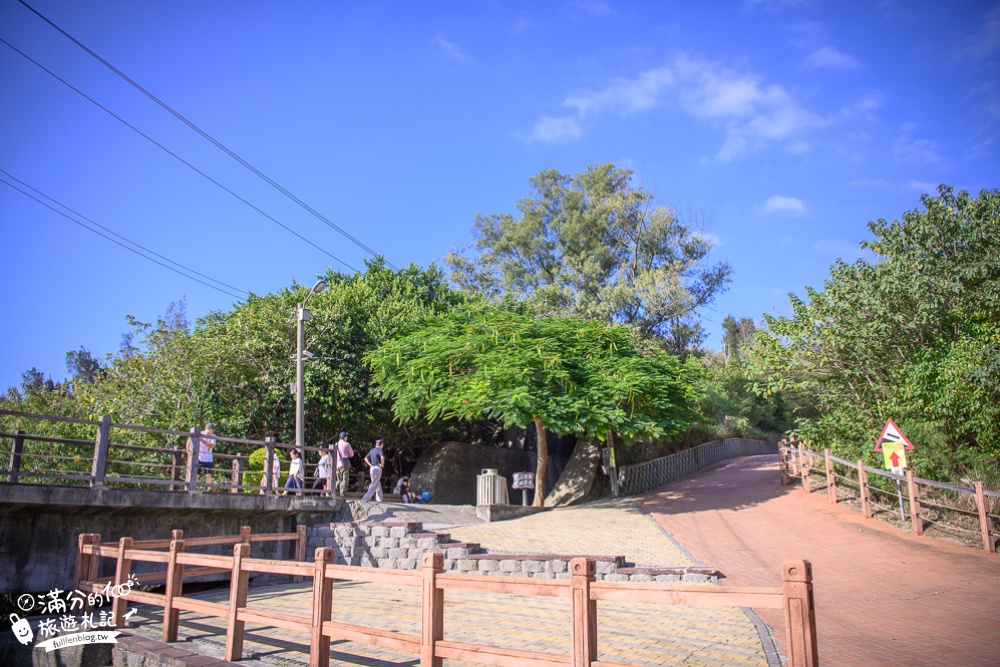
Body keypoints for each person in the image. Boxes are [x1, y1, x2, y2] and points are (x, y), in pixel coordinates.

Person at [186, 423, 216, 489]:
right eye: (210, 429)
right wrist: (188, 451)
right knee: (196, 474)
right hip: (198, 457)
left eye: (212, 430)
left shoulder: (213, 436)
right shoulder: (200, 434)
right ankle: (193, 488)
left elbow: (212, 445)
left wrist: (202, 440)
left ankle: (209, 489)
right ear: (206, 428)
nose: (211, 431)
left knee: (208, 474)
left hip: (208, 458)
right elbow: (189, 440)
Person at [335, 431, 354, 496]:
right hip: (344, 465)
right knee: (344, 481)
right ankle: (342, 495)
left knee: (338, 480)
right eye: (346, 436)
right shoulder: (347, 444)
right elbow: (352, 454)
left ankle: (336, 493)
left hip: (337, 465)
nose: (347, 438)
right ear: (344, 437)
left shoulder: (336, 444)